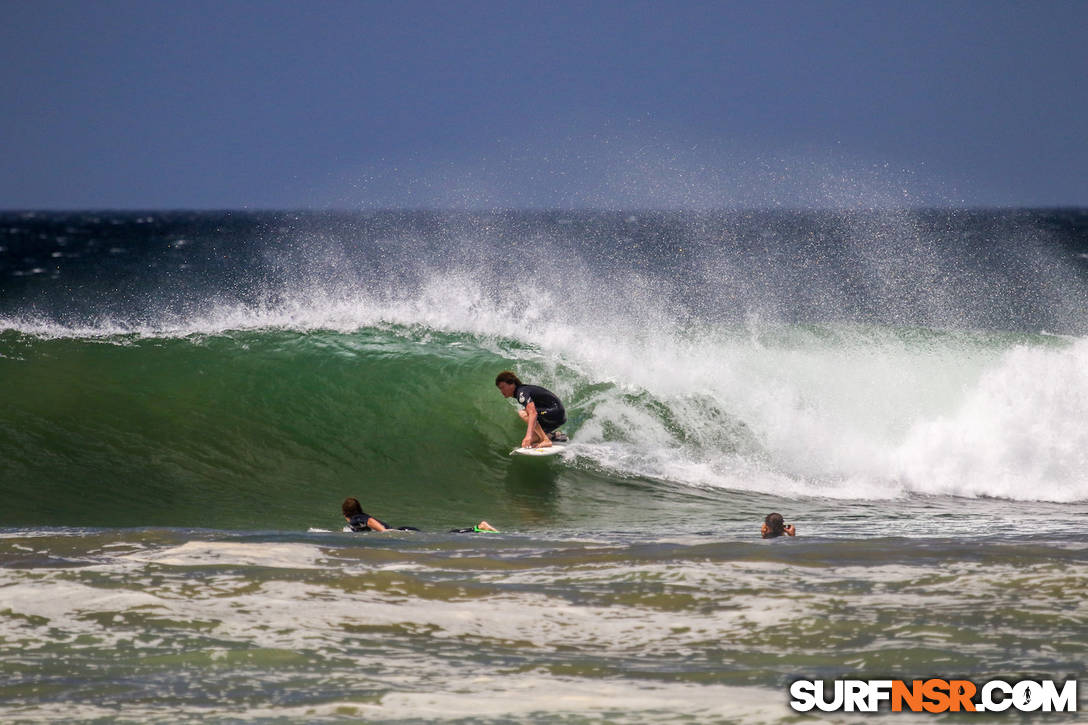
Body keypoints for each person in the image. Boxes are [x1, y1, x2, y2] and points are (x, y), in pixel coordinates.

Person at [495, 370, 567, 449]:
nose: (501, 391)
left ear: (512, 384)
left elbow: (533, 413)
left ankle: (546, 440)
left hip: (555, 411)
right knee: (534, 437)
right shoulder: (522, 390)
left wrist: (528, 436)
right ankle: (553, 436)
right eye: (499, 389)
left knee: (523, 413)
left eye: (502, 387)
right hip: (556, 414)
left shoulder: (521, 393)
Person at [341, 498, 497, 534]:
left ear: (345, 513)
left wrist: (383, 532)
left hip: (404, 532)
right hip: (404, 530)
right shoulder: (357, 518)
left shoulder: (356, 519)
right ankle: (476, 528)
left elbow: (369, 521)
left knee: (442, 536)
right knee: (441, 536)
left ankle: (479, 527)